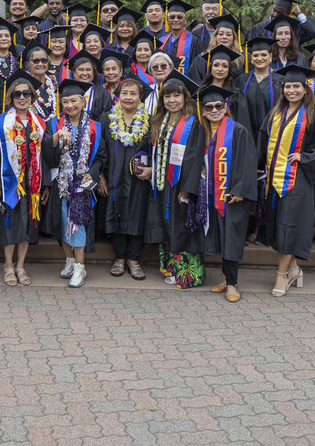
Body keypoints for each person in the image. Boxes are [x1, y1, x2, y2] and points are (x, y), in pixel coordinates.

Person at [258, 64, 315, 297]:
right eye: (288, 86)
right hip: (274, 179)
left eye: (296, 86)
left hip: (298, 179)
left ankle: (281, 275)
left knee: (289, 225)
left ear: (306, 89)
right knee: (281, 225)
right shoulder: (275, 114)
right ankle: (293, 269)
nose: (291, 90)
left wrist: (306, 156)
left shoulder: (314, 116)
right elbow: (263, 141)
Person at [0, 69, 52, 286]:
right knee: (9, 224)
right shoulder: (1, 122)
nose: (22, 97)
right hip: (9, 183)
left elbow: (44, 155)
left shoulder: (40, 123)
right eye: (17, 94)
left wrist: (45, 185)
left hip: (32, 184)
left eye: (26, 93)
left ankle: (20, 265)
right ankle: (8, 265)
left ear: (33, 97)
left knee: (27, 225)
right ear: (11, 98)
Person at [197, 84, 257, 303]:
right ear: (203, 110)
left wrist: (240, 190)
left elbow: (247, 163)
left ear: (225, 108)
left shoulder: (237, 130)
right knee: (222, 239)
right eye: (209, 107)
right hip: (211, 195)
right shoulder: (202, 132)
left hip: (231, 196)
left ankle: (232, 284)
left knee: (231, 239)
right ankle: (228, 279)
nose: (214, 110)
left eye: (219, 106)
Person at [44, 79, 107, 288]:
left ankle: (80, 266)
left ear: (83, 101)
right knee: (62, 225)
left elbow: (100, 156)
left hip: (81, 185)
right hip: (60, 183)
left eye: (73, 101)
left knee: (78, 225)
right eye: (65, 102)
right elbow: (45, 152)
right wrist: (55, 137)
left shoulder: (94, 126)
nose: (69, 105)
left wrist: (93, 172)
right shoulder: (54, 124)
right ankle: (69, 260)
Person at [146, 70, 206, 288]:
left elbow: (194, 156)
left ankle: (188, 274)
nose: (171, 100)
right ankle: (169, 267)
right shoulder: (158, 121)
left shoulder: (192, 123)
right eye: (167, 96)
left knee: (182, 227)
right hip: (162, 185)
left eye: (176, 96)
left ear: (185, 98)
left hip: (180, 184)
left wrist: (187, 188)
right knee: (166, 225)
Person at [97, 75, 153, 281]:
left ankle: (134, 259)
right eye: (124, 93)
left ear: (141, 97)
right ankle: (119, 258)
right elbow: (99, 150)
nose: (128, 97)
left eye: (133, 93)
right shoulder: (107, 118)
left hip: (139, 179)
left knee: (137, 214)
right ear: (118, 96)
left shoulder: (149, 121)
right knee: (116, 212)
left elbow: (157, 151)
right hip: (113, 177)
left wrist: (152, 170)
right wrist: (100, 175)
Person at [246, 0, 315, 45]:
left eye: (280, 13)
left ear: (288, 14)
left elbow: (314, 31)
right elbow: (250, 50)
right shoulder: (258, 29)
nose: (275, 14)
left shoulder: (294, 30)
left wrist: (299, 14)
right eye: (274, 10)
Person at [162, 0, 199, 73]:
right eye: (172, 17)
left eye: (179, 17)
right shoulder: (162, 41)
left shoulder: (194, 41)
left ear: (185, 20)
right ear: (168, 20)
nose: (175, 20)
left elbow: (197, 69)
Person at [24, 42, 58, 120]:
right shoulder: (23, 85)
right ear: (29, 64)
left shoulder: (54, 85)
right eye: (35, 61)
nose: (40, 64)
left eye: (44, 60)